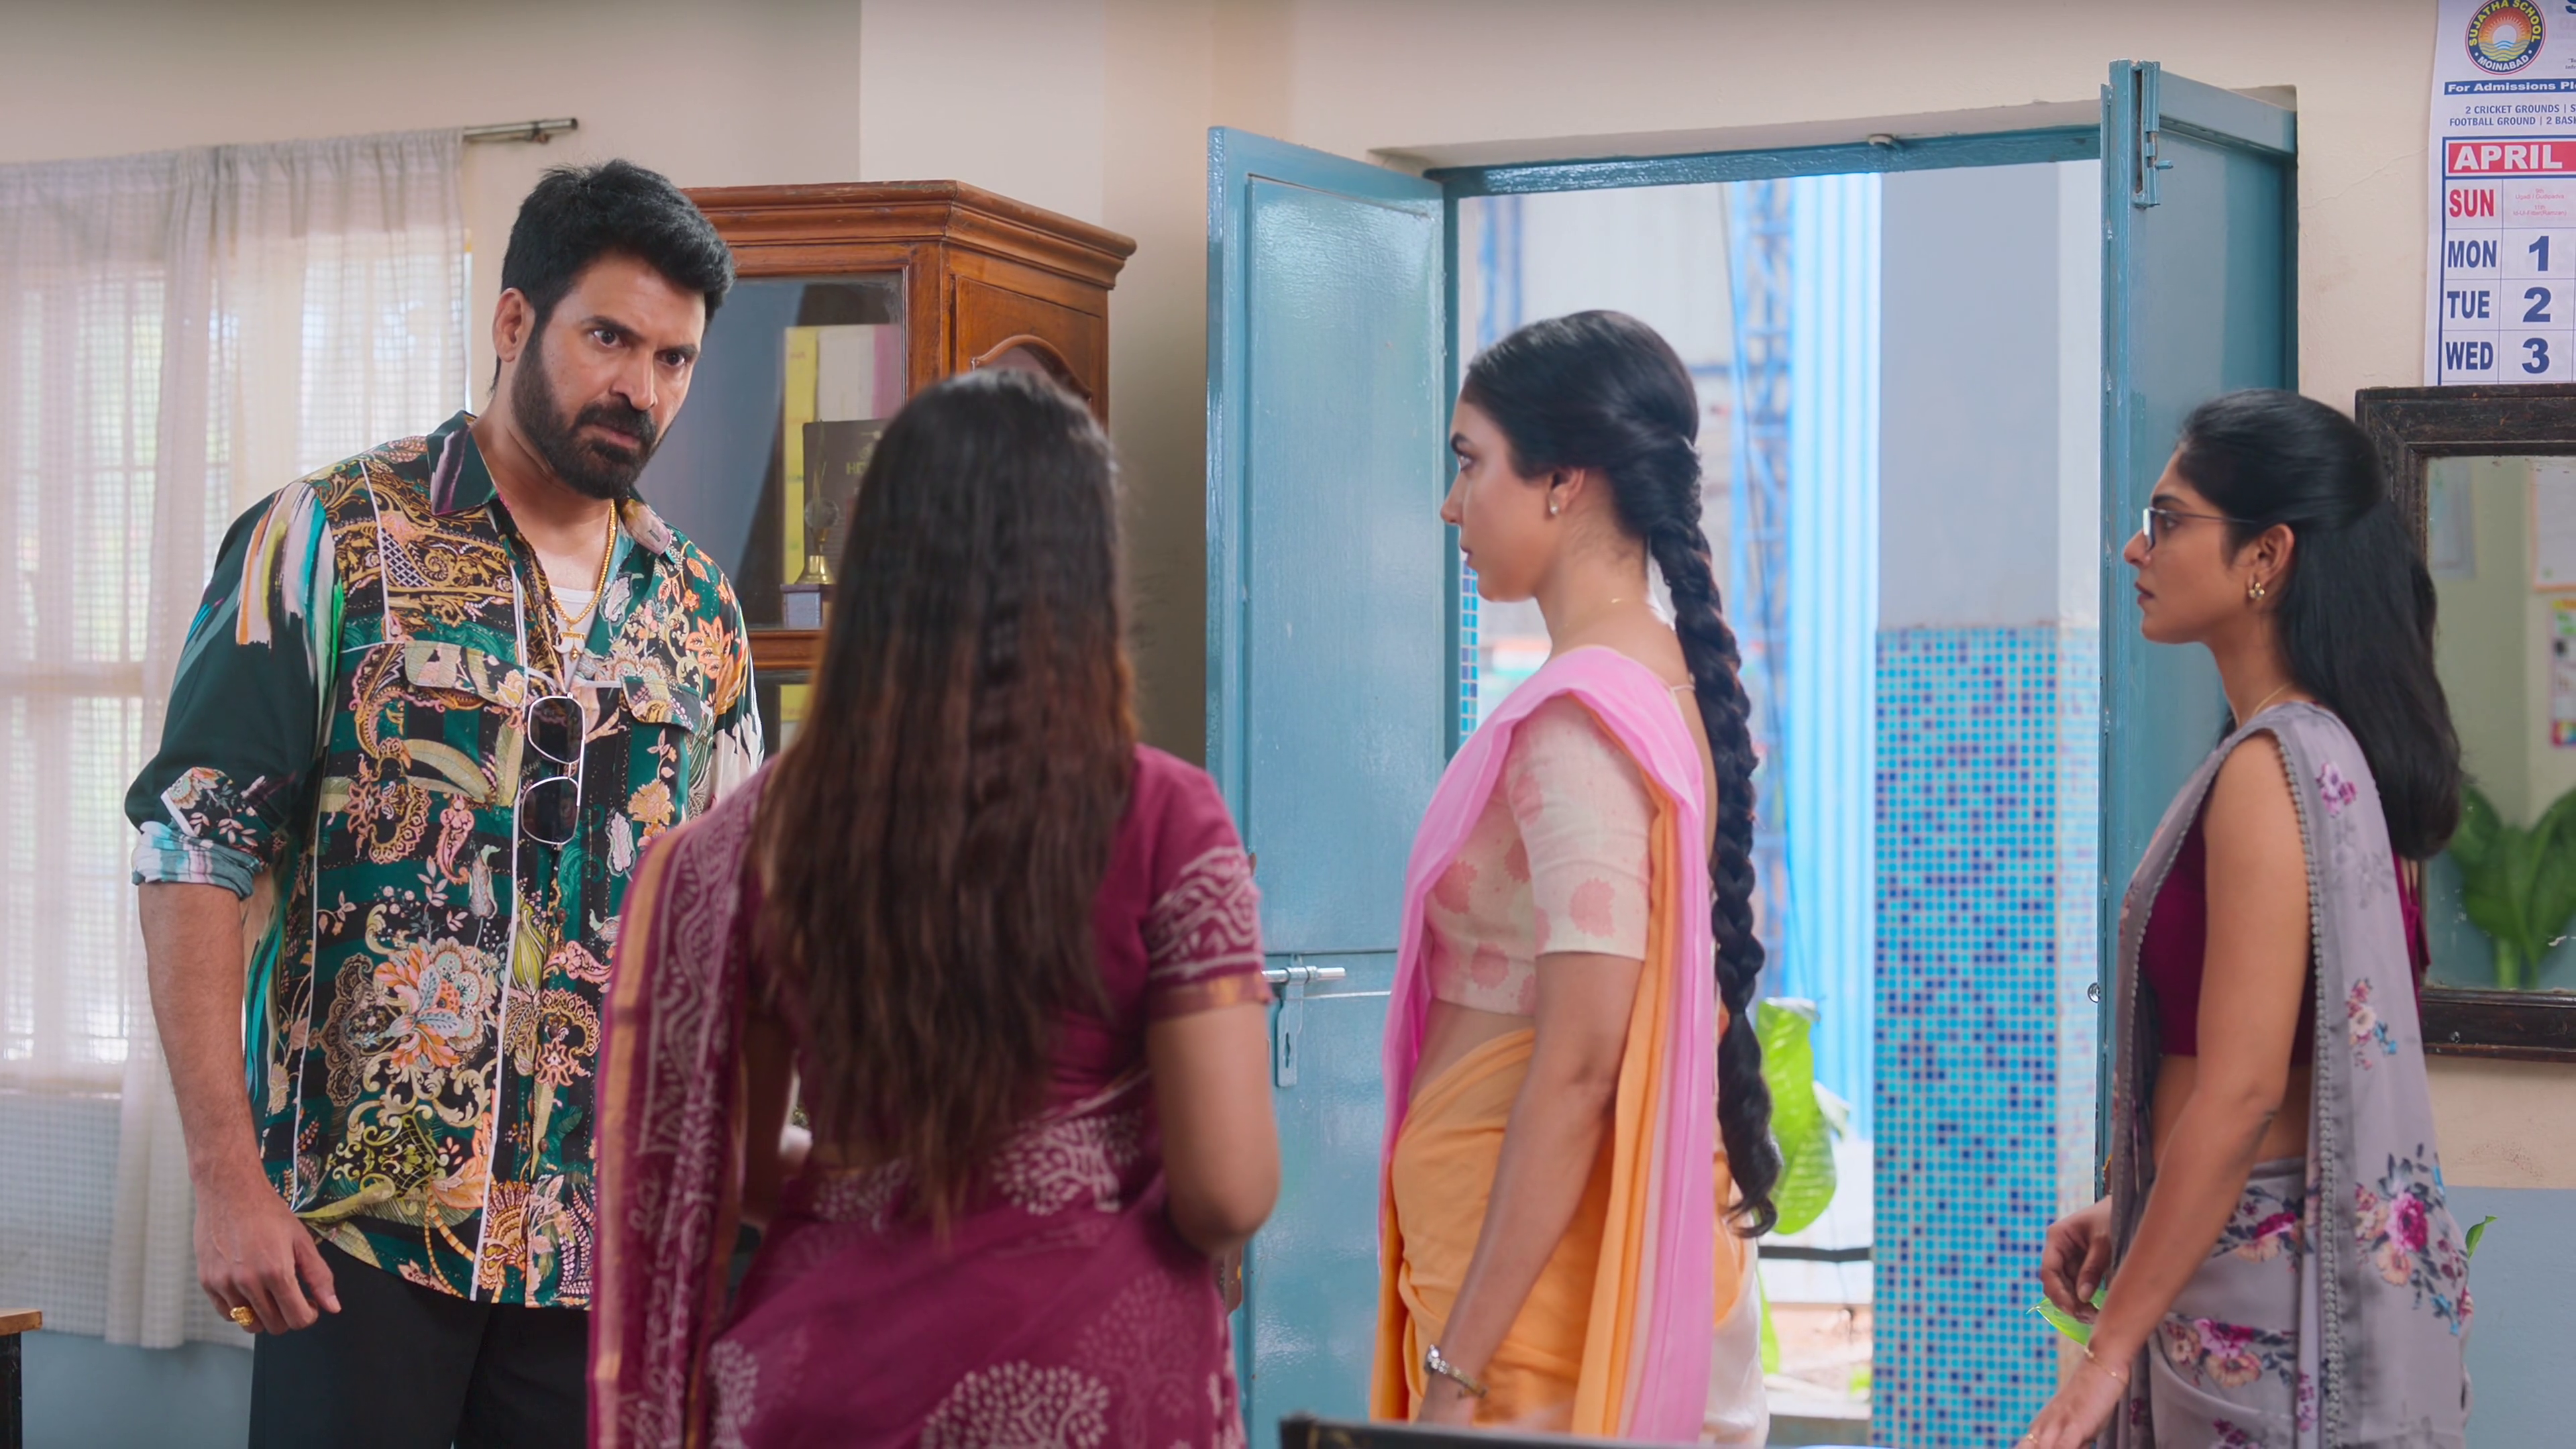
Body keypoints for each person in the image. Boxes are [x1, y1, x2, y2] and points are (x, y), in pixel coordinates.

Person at [126, 159, 759, 1446]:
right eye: (609, 338)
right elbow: (193, 845)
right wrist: (225, 1178)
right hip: (352, 1242)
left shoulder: (703, 614)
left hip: (601, 1255)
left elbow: (736, 926)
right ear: (515, 320)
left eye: (675, 360)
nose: (641, 389)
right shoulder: (326, 538)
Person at [592, 368, 1280, 1449]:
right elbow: (1226, 1193)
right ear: (1083, 581)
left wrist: (883, 1184)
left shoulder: (769, 835)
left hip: (823, 1384)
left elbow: (734, 1171)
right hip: (1086, 1381)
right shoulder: (1165, 818)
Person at [2024, 390, 2472, 1447]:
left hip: (2259, 1301)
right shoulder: (2332, 755)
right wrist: (2134, 1210)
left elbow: (2240, 1094)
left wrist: (2107, 1353)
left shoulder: (2273, 772)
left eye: (2169, 520)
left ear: (2266, 555)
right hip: (2244, 1258)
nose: (2136, 548)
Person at [1371, 311, 1774, 1442]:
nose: (1451, 503)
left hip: (1533, 1302)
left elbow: (1583, 1063)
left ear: (1562, 481)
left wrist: (1456, 1368)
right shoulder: (1668, 676)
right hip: (1577, 1258)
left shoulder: (1580, 721)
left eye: (1471, 462)